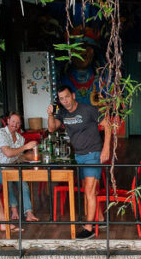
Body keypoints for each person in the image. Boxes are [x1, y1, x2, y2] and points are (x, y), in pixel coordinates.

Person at [47, 85, 111, 239]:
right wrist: (50, 114)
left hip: (93, 153)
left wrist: (106, 149)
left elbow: (107, 125)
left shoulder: (87, 109)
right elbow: (51, 128)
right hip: (79, 156)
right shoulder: (62, 112)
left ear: (73, 96)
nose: (65, 101)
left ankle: (89, 228)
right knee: (89, 190)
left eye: (67, 97)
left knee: (89, 190)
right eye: (62, 99)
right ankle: (100, 219)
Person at [0, 112, 40, 224]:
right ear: (8, 121)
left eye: (18, 122)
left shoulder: (20, 138)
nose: (15, 124)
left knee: (23, 184)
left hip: (11, 167)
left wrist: (31, 156)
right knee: (7, 183)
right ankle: (14, 210)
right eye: (13, 121)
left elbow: (18, 156)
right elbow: (8, 153)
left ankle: (28, 213)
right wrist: (26, 147)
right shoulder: (0, 133)